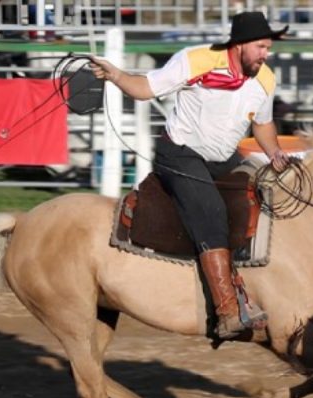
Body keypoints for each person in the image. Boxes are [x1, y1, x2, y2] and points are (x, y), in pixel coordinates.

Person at [90, 11, 290, 339]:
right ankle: (227, 310)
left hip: (222, 158)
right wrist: (116, 76)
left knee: (262, 192)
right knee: (210, 211)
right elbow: (145, 89)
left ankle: (255, 282)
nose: (266, 54)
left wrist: (275, 152)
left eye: (268, 48)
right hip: (180, 153)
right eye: (261, 47)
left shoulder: (264, 78)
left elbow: (262, 124)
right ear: (239, 45)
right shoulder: (196, 60)